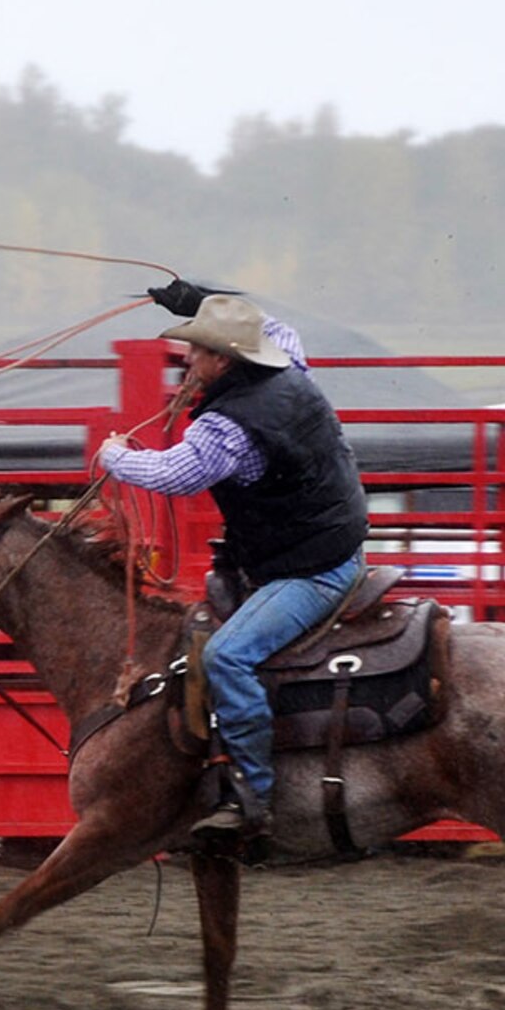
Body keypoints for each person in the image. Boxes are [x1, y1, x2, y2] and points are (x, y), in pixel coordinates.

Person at [97, 283, 369, 841]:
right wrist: (192, 300)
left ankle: (252, 793)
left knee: (226, 656)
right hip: (327, 540)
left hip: (311, 569)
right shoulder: (287, 360)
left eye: (197, 350)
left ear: (223, 360)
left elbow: (175, 475)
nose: (187, 360)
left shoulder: (231, 427)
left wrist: (113, 456)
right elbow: (268, 322)